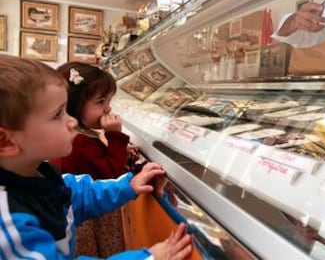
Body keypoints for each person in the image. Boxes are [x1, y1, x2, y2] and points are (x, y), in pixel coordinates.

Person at [0, 54, 192, 259]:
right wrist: (147, 257)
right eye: (58, 114)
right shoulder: (10, 224)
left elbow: (77, 194)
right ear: (7, 142)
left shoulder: (37, 172)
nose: (72, 121)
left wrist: (127, 186)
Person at [49, 61, 140, 257]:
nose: (108, 109)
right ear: (75, 104)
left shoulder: (82, 134)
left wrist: (121, 150)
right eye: (101, 102)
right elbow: (112, 175)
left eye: (109, 101)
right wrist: (115, 137)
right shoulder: (79, 142)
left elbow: (101, 163)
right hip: (93, 218)